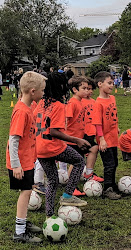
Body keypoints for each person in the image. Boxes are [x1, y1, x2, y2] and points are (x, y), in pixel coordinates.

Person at [34, 72, 89, 219]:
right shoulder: (58, 106)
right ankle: (67, 194)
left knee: (52, 180)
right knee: (79, 161)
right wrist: (76, 140)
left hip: (39, 148)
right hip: (52, 147)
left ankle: (49, 215)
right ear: (61, 86)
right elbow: (53, 131)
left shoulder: (41, 103)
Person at [6, 71, 46, 243]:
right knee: (26, 192)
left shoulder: (28, 107)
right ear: (32, 91)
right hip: (20, 162)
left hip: (27, 160)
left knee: (27, 191)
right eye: (42, 91)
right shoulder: (21, 111)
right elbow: (13, 140)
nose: (43, 93)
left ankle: (23, 222)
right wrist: (16, 164)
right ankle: (19, 232)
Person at [92, 71, 121, 200]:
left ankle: (112, 184)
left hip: (114, 137)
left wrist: (117, 126)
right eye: (109, 83)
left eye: (112, 83)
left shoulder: (112, 98)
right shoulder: (98, 103)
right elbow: (97, 123)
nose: (112, 85)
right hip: (105, 139)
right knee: (109, 164)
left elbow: (113, 115)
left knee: (115, 162)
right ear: (100, 84)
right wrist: (101, 139)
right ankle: (107, 188)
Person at [81, 77, 103, 182]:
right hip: (82, 132)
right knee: (90, 150)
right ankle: (88, 174)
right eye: (86, 89)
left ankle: (88, 173)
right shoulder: (79, 101)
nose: (89, 91)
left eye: (90, 89)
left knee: (93, 149)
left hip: (91, 132)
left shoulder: (94, 102)